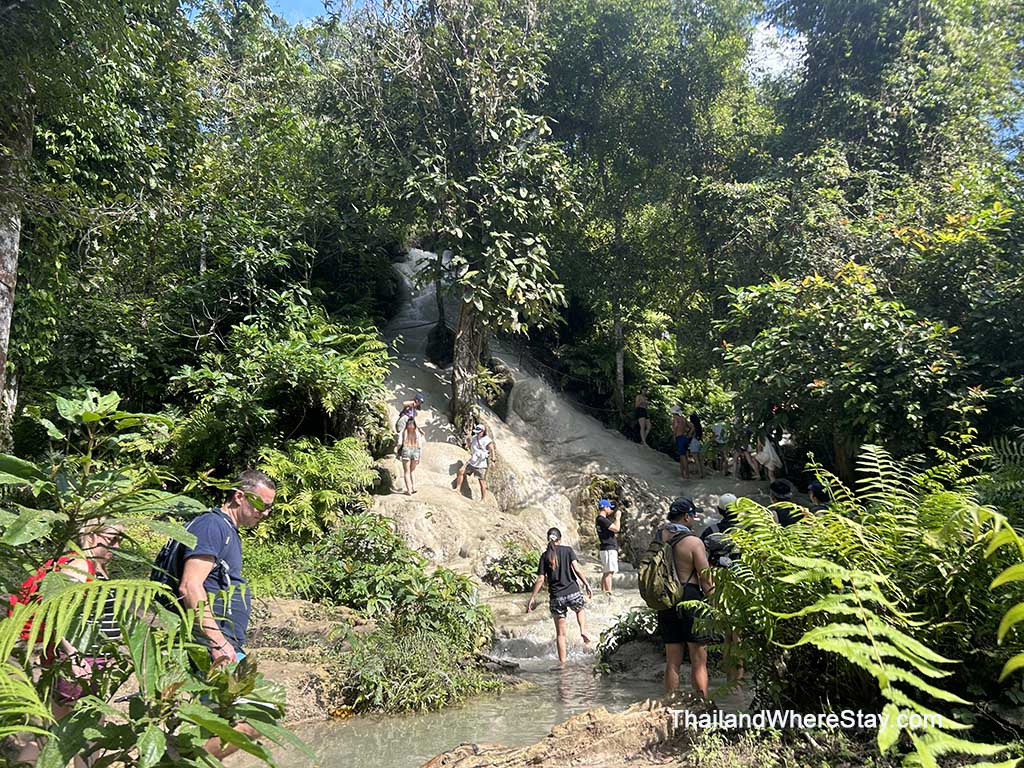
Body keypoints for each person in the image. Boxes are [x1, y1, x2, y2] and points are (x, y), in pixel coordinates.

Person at [177, 469, 276, 759]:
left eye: (269, 507)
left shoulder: (226, 530)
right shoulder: (212, 526)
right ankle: (178, 763)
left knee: (218, 722)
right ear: (239, 496)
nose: (265, 513)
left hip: (222, 644)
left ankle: (185, 760)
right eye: (261, 505)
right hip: (212, 646)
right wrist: (217, 642)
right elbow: (190, 585)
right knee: (261, 714)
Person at [10, 520, 124, 767]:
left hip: (89, 659)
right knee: (84, 733)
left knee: (62, 732)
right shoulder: (79, 566)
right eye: (113, 539)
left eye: (120, 539)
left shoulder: (96, 567)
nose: (117, 545)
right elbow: (57, 613)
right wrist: (74, 657)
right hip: (80, 661)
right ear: (92, 537)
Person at [657, 497, 713, 697]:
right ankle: (702, 703)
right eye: (693, 516)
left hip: (666, 599)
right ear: (687, 516)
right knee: (699, 660)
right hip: (690, 596)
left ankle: (670, 704)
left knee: (672, 661)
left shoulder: (659, 538)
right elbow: (705, 579)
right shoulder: (693, 542)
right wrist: (715, 604)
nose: (694, 520)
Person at [526, 527, 593, 666]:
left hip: (557, 597)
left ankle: (562, 664)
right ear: (560, 539)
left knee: (561, 635)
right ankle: (583, 630)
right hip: (573, 591)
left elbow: (540, 579)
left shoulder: (545, 556)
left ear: (548, 539)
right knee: (580, 609)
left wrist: (532, 597)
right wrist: (586, 584)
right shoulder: (568, 550)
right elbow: (577, 569)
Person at [701, 494, 743, 684]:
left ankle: (730, 681)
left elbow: (702, 559)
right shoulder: (750, 530)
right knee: (738, 634)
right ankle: (738, 682)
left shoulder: (711, 531)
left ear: (719, 510)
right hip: (743, 585)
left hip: (719, 585)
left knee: (726, 634)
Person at [454, 424, 496, 501]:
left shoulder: (487, 440)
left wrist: (493, 460)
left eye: (479, 432)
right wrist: (468, 441)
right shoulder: (474, 438)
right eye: (476, 432)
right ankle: (458, 489)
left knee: (481, 481)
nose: (477, 433)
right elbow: (470, 446)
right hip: (473, 460)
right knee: (461, 471)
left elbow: (492, 450)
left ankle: (483, 499)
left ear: (483, 431)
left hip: (481, 463)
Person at [594, 499, 621, 594]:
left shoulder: (600, 520)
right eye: (609, 507)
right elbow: (616, 529)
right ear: (605, 508)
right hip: (609, 548)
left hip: (605, 548)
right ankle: (609, 593)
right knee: (609, 573)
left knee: (606, 572)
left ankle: (603, 592)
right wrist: (617, 518)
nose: (611, 510)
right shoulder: (602, 519)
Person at [399, 412, 424, 495]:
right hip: (416, 450)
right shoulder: (417, 433)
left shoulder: (405, 431)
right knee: (412, 471)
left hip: (406, 449)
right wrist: (419, 456)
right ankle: (413, 487)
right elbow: (420, 443)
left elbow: (400, 442)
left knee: (406, 472)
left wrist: (398, 451)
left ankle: (409, 490)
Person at [671, 406, 692, 480]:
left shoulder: (675, 419)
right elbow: (691, 427)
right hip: (684, 437)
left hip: (679, 438)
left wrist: (674, 436)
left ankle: (686, 475)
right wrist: (688, 434)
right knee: (683, 456)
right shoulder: (683, 418)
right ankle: (683, 474)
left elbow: (675, 428)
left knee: (682, 457)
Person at [688, 413, 705, 479]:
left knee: (696, 459)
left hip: (693, 441)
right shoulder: (699, 426)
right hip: (699, 442)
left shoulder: (692, 425)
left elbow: (690, 435)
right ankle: (701, 472)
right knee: (700, 459)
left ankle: (700, 474)